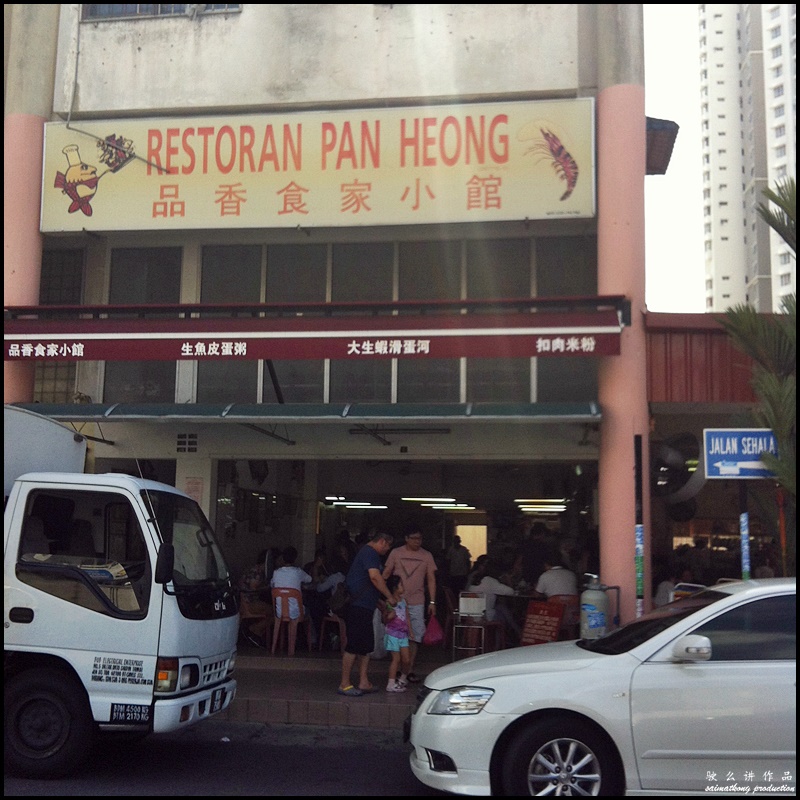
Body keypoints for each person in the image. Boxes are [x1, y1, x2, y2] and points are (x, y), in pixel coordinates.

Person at [338, 530, 395, 697]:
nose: (387, 551)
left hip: (366, 606)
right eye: (388, 546)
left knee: (365, 646)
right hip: (358, 606)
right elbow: (375, 577)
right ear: (383, 541)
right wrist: (389, 596)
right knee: (354, 645)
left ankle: (364, 681)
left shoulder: (367, 554)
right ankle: (344, 683)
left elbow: (366, 584)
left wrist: (379, 603)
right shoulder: (370, 553)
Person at [382, 525, 437, 684]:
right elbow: (385, 574)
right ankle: (397, 668)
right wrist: (385, 597)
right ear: (406, 538)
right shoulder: (396, 553)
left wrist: (432, 601)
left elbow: (431, 579)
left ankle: (409, 669)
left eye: (419, 539)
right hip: (397, 602)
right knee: (397, 633)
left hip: (417, 601)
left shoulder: (426, 555)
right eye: (413, 538)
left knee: (415, 635)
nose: (417, 542)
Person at [467, 556, 521, 642]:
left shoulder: (473, 577)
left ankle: (516, 633)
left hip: (470, 614)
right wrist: (508, 580)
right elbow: (510, 591)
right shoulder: (490, 581)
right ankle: (508, 637)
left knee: (501, 608)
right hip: (484, 616)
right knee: (503, 611)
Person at [270, 546, 313, 638]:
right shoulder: (298, 572)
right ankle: (311, 641)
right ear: (295, 558)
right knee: (310, 610)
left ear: (282, 558)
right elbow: (309, 579)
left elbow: (272, 584)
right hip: (296, 613)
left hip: (279, 612)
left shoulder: (276, 572)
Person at [382, 575, 411, 692]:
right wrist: (390, 616)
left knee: (406, 659)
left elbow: (407, 617)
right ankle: (391, 683)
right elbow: (385, 619)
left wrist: (411, 631)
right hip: (393, 633)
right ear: (394, 588)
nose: (403, 587)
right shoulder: (388, 602)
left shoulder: (404, 601)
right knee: (396, 659)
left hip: (403, 634)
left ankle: (402, 679)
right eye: (401, 585)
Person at [238, 548, 270, 645]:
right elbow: (253, 587)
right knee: (277, 613)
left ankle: (257, 633)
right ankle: (255, 630)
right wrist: (267, 587)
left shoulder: (253, 569)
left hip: (246, 601)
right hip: (249, 603)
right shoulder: (257, 572)